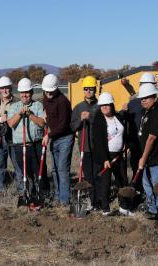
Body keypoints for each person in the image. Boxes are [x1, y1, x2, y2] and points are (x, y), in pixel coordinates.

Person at [92, 92, 133, 216]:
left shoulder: (117, 117)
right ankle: (105, 209)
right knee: (106, 182)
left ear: (112, 105)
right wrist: (105, 159)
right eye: (102, 105)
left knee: (122, 181)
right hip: (106, 156)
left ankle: (124, 207)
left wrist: (126, 144)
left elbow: (123, 132)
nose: (104, 107)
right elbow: (98, 142)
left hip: (119, 155)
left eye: (107, 105)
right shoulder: (98, 120)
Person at [7, 78, 46, 204]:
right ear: (19, 94)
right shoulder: (14, 107)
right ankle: (28, 194)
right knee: (26, 173)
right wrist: (19, 113)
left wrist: (30, 115)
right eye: (22, 92)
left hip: (35, 144)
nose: (25, 95)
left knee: (39, 171)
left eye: (27, 92)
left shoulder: (38, 105)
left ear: (32, 92)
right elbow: (11, 124)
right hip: (20, 145)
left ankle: (42, 195)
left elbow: (41, 123)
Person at [137, 83, 158, 221]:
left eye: (147, 97)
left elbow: (151, 138)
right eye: (142, 98)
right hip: (148, 157)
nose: (143, 100)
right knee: (147, 184)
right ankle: (152, 209)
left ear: (154, 97)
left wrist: (143, 158)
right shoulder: (147, 112)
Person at [41, 74, 74, 205]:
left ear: (56, 89)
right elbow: (46, 113)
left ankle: (65, 200)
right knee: (54, 169)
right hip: (54, 138)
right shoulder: (45, 98)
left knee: (62, 169)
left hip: (65, 137)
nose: (48, 94)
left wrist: (48, 135)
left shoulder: (63, 102)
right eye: (46, 91)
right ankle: (58, 196)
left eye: (50, 92)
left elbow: (63, 125)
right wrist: (44, 117)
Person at [0, 76, 22, 193]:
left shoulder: (18, 102)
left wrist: (10, 119)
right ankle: (0, 188)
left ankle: (20, 189)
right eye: (2, 88)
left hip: (14, 138)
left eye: (7, 88)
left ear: (11, 88)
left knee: (18, 165)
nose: (5, 91)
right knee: (0, 165)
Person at [70, 76, 99, 210]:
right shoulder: (78, 108)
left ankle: (98, 200)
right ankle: (90, 200)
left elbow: (105, 124)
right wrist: (81, 120)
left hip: (99, 148)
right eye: (86, 89)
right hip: (85, 147)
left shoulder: (100, 106)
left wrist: (91, 118)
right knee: (88, 176)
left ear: (95, 90)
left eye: (91, 89)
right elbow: (72, 127)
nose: (88, 91)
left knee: (98, 175)